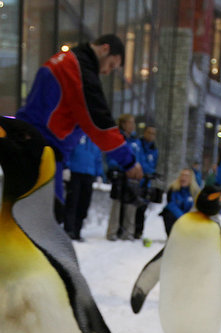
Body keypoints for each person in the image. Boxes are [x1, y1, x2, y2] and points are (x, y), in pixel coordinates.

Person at [15, 34, 141, 236]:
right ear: (104, 48)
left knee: (41, 218)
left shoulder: (65, 61)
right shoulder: (78, 69)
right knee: (44, 222)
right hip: (41, 151)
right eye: (111, 64)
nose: (107, 72)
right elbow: (99, 123)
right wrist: (128, 162)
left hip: (36, 146)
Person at [105, 114, 145, 241]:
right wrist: (125, 167)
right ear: (123, 124)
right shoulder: (118, 138)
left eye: (134, 123)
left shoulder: (136, 141)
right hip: (120, 175)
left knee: (131, 204)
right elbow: (111, 158)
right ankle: (112, 231)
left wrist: (139, 170)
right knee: (117, 204)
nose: (133, 126)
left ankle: (128, 232)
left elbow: (140, 158)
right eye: (130, 122)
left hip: (133, 177)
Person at [64, 130, 103, 241]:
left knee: (84, 204)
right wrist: (66, 167)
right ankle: (69, 230)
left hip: (89, 175)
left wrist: (99, 174)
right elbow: (68, 150)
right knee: (72, 202)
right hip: (75, 173)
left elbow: (98, 158)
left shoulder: (95, 138)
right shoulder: (75, 134)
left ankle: (77, 230)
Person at [131, 124, 159, 239]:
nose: (151, 135)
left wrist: (152, 173)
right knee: (133, 205)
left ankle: (139, 231)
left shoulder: (154, 149)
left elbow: (154, 164)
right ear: (144, 132)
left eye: (153, 134)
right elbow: (138, 161)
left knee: (143, 207)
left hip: (147, 181)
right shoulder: (138, 144)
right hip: (136, 179)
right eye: (149, 132)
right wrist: (147, 171)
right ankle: (129, 230)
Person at [160, 168, 197, 235]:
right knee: (168, 214)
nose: (183, 177)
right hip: (176, 218)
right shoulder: (173, 189)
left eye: (186, 175)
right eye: (182, 175)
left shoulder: (194, 192)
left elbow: (195, 207)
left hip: (189, 218)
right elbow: (171, 205)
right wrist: (183, 218)